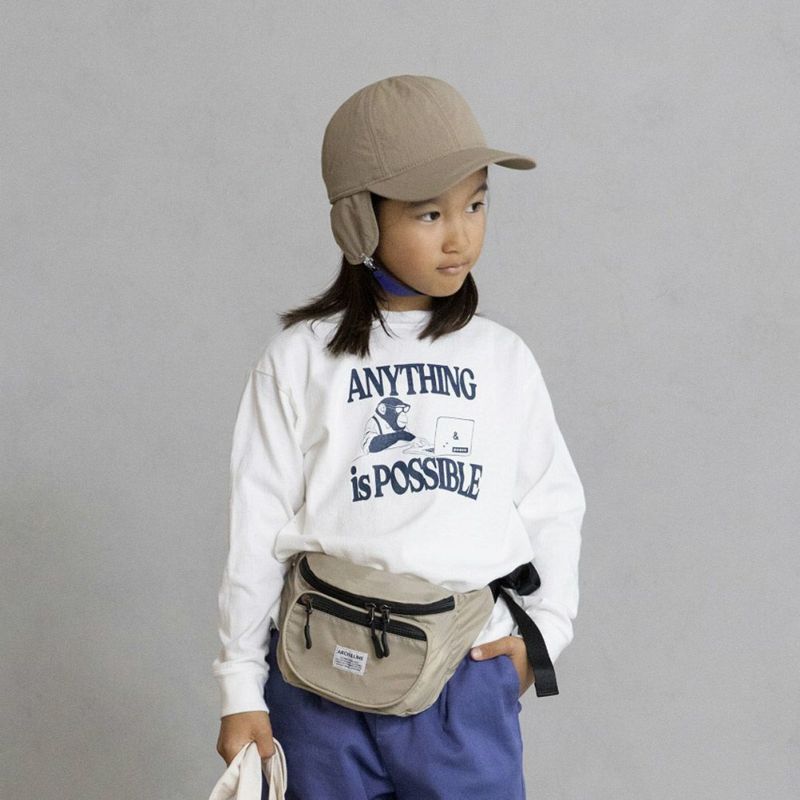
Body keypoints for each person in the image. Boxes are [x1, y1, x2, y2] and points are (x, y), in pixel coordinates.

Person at [212, 74, 586, 800]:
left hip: (463, 679)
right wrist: (240, 686)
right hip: (318, 682)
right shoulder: (299, 361)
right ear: (359, 222)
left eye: (476, 203)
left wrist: (540, 635)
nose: (461, 235)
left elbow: (552, 503)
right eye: (429, 213)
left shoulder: (501, 358)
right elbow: (255, 529)